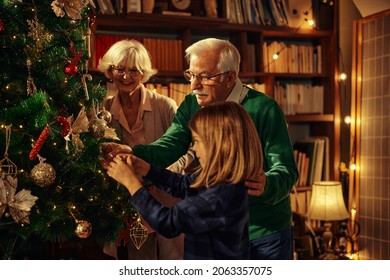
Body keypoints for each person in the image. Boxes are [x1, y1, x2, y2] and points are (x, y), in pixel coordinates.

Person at [100, 38, 299, 259]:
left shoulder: (264, 109)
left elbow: (286, 170)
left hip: (265, 233)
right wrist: (134, 154)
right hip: (213, 232)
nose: (194, 85)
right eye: (192, 75)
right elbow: (172, 146)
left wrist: (267, 183)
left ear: (230, 77)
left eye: (204, 76)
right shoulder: (193, 103)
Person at [106, 101, 263, 259]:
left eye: (197, 141)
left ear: (220, 145)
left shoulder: (220, 195)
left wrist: (132, 184)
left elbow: (167, 222)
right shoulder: (219, 180)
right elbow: (182, 184)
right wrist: (146, 169)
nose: (193, 148)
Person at [97, 39, 193, 260]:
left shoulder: (165, 105)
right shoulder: (103, 109)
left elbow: (186, 152)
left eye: (134, 70)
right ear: (110, 71)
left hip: (165, 201)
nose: (126, 76)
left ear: (144, 73)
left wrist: (157, 175)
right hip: (123, 205)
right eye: (120, 69)